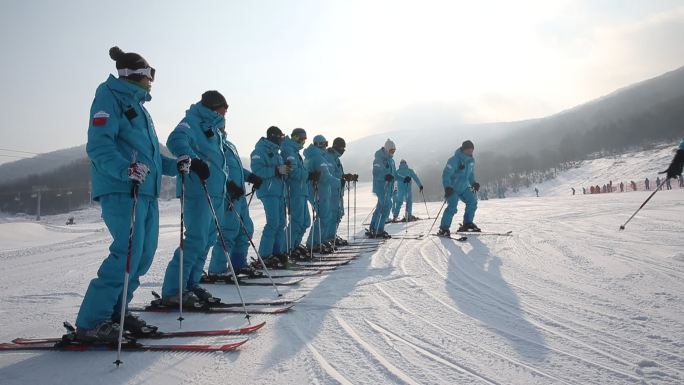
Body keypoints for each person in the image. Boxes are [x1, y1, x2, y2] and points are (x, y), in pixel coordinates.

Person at [75, 46, 178, 343]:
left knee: (142, 257)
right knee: (126, 254)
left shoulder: (140, 109)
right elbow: (98, 146)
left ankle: (117, 312)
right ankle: (92, 323)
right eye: (149, 74)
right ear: (135, 74)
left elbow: (152, 157)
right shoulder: (109, 97)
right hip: (123, 189)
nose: (151, 81)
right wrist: (125, 169)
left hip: (145, 192)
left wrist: (177, 164)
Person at [160, 91, 228, 307]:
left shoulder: (213, 128)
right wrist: (194, 161)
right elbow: (175, 140)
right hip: (198, 190)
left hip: (215, 191)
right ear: (214, 107)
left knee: (207, 240)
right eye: (224, 107)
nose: (227, 112)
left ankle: (191, 284)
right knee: (195, 240)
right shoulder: (192, 121)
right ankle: (173, 290)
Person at [206, 124, 263, 278]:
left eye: (224, 126)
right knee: (229, 232)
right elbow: (217, 170)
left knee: (246, 230)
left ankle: (238, 263)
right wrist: (229, 184)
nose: (223, 129)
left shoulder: (228, 145)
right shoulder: (214, 145)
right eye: (220, 126)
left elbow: (235, 168)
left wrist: (250, 176)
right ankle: (217, 269)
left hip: (239, 196)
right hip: (228, 195)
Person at [251, 126, 290, 268]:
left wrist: (285, 170)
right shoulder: (259, 151)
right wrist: (276, 170)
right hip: (268, 192)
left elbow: (279, 172)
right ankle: (265, 255)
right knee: (273, 223)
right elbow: (257, 170)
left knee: (281, 224)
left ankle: (276, 252)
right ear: (274, 136)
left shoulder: (277, 153)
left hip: (279, 192)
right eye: (281, 137)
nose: (282, 140)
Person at [437, 140, 479, 236]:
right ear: (463, 149)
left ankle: (467, 223)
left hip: (464, 187)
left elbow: (471, 174)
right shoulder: (454, 160)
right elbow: (446, 174)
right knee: (452, 207)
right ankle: (443, 229)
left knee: (472, 201)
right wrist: (447, 187)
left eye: (471, 150)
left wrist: (474, 183)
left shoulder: (471, 160)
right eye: (468, 150)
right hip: (453, 188)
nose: (470, 152)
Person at [280, 128, 311, 260]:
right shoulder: (288, 150)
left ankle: (294, 246)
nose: (302, 141)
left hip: (302, 191)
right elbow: (294, 172)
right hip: (294, 191)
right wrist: (308, 174)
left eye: (304, 138)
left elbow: (299, 171)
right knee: (297, 221)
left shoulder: (295, 152)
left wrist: (306, 175)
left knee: (305, 222)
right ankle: (287, 248)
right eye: (300, 138)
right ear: (293, 137)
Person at [304, 135, 337, 252]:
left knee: (325, 216)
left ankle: (319, 240)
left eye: (326, 144)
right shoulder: (318, 158)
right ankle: (313, 242)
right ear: (318, 144)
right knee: (323, 216)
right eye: (323, 144)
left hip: (319, 190)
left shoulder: (315, 156)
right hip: (318, 190)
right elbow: (325, 177)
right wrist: (340, 182)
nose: (325, 147)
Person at [367, 139, 397, 238]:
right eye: (391, 151)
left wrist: (404, 178)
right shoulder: (378, 158)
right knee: (387, 205)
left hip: (388, 188)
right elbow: (376, 173)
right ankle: (379, 229)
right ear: (387, 149)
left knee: (380, 207)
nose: (393, 153)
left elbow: (394, 174)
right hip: (380, 187)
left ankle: (373, 227)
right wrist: (385, 176)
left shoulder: (391, 160)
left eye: (394, 151)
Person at [325, 137, 352, 245]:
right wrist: (340, 179)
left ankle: (332, 235)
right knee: (331, 214)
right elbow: (329, 175)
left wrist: (345, 176)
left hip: (338, 191)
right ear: (336, 146)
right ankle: (328, 237)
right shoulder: (329, 157)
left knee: (338, 214)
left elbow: (338, 173)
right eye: (341, 148)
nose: (343, 150)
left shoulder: (336, 158)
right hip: (331, 191)